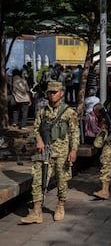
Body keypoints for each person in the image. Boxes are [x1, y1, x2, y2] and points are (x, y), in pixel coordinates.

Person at [20, 81, 80, 224]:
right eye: (50, 92)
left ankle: (60, 206)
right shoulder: (42, 111)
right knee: (38, 180)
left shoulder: (69, 112)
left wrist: (73, 150)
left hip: (62, 153)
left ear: (61, 93)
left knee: (62, 180)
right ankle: (36, 212)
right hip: (45, 151)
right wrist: (39, 140)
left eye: (55, 92)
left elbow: (75, 132)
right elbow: (36, 128)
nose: (52, 95)